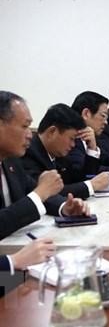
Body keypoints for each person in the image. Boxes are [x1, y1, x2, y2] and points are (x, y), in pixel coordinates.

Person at [0, 91, 89, 240]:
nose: (30, 134)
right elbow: (38, 193)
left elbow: (34, 189)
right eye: (24, 126)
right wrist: (40, 193)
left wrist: (65, 208)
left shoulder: (11, 160)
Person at [21, 104, 109, 199]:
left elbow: (78, 180)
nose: (73, 144)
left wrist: (92, 149)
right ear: (52, 132)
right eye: (71, 138)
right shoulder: (28, 153)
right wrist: (92, 185)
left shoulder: (59, 154)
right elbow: (46, 193)